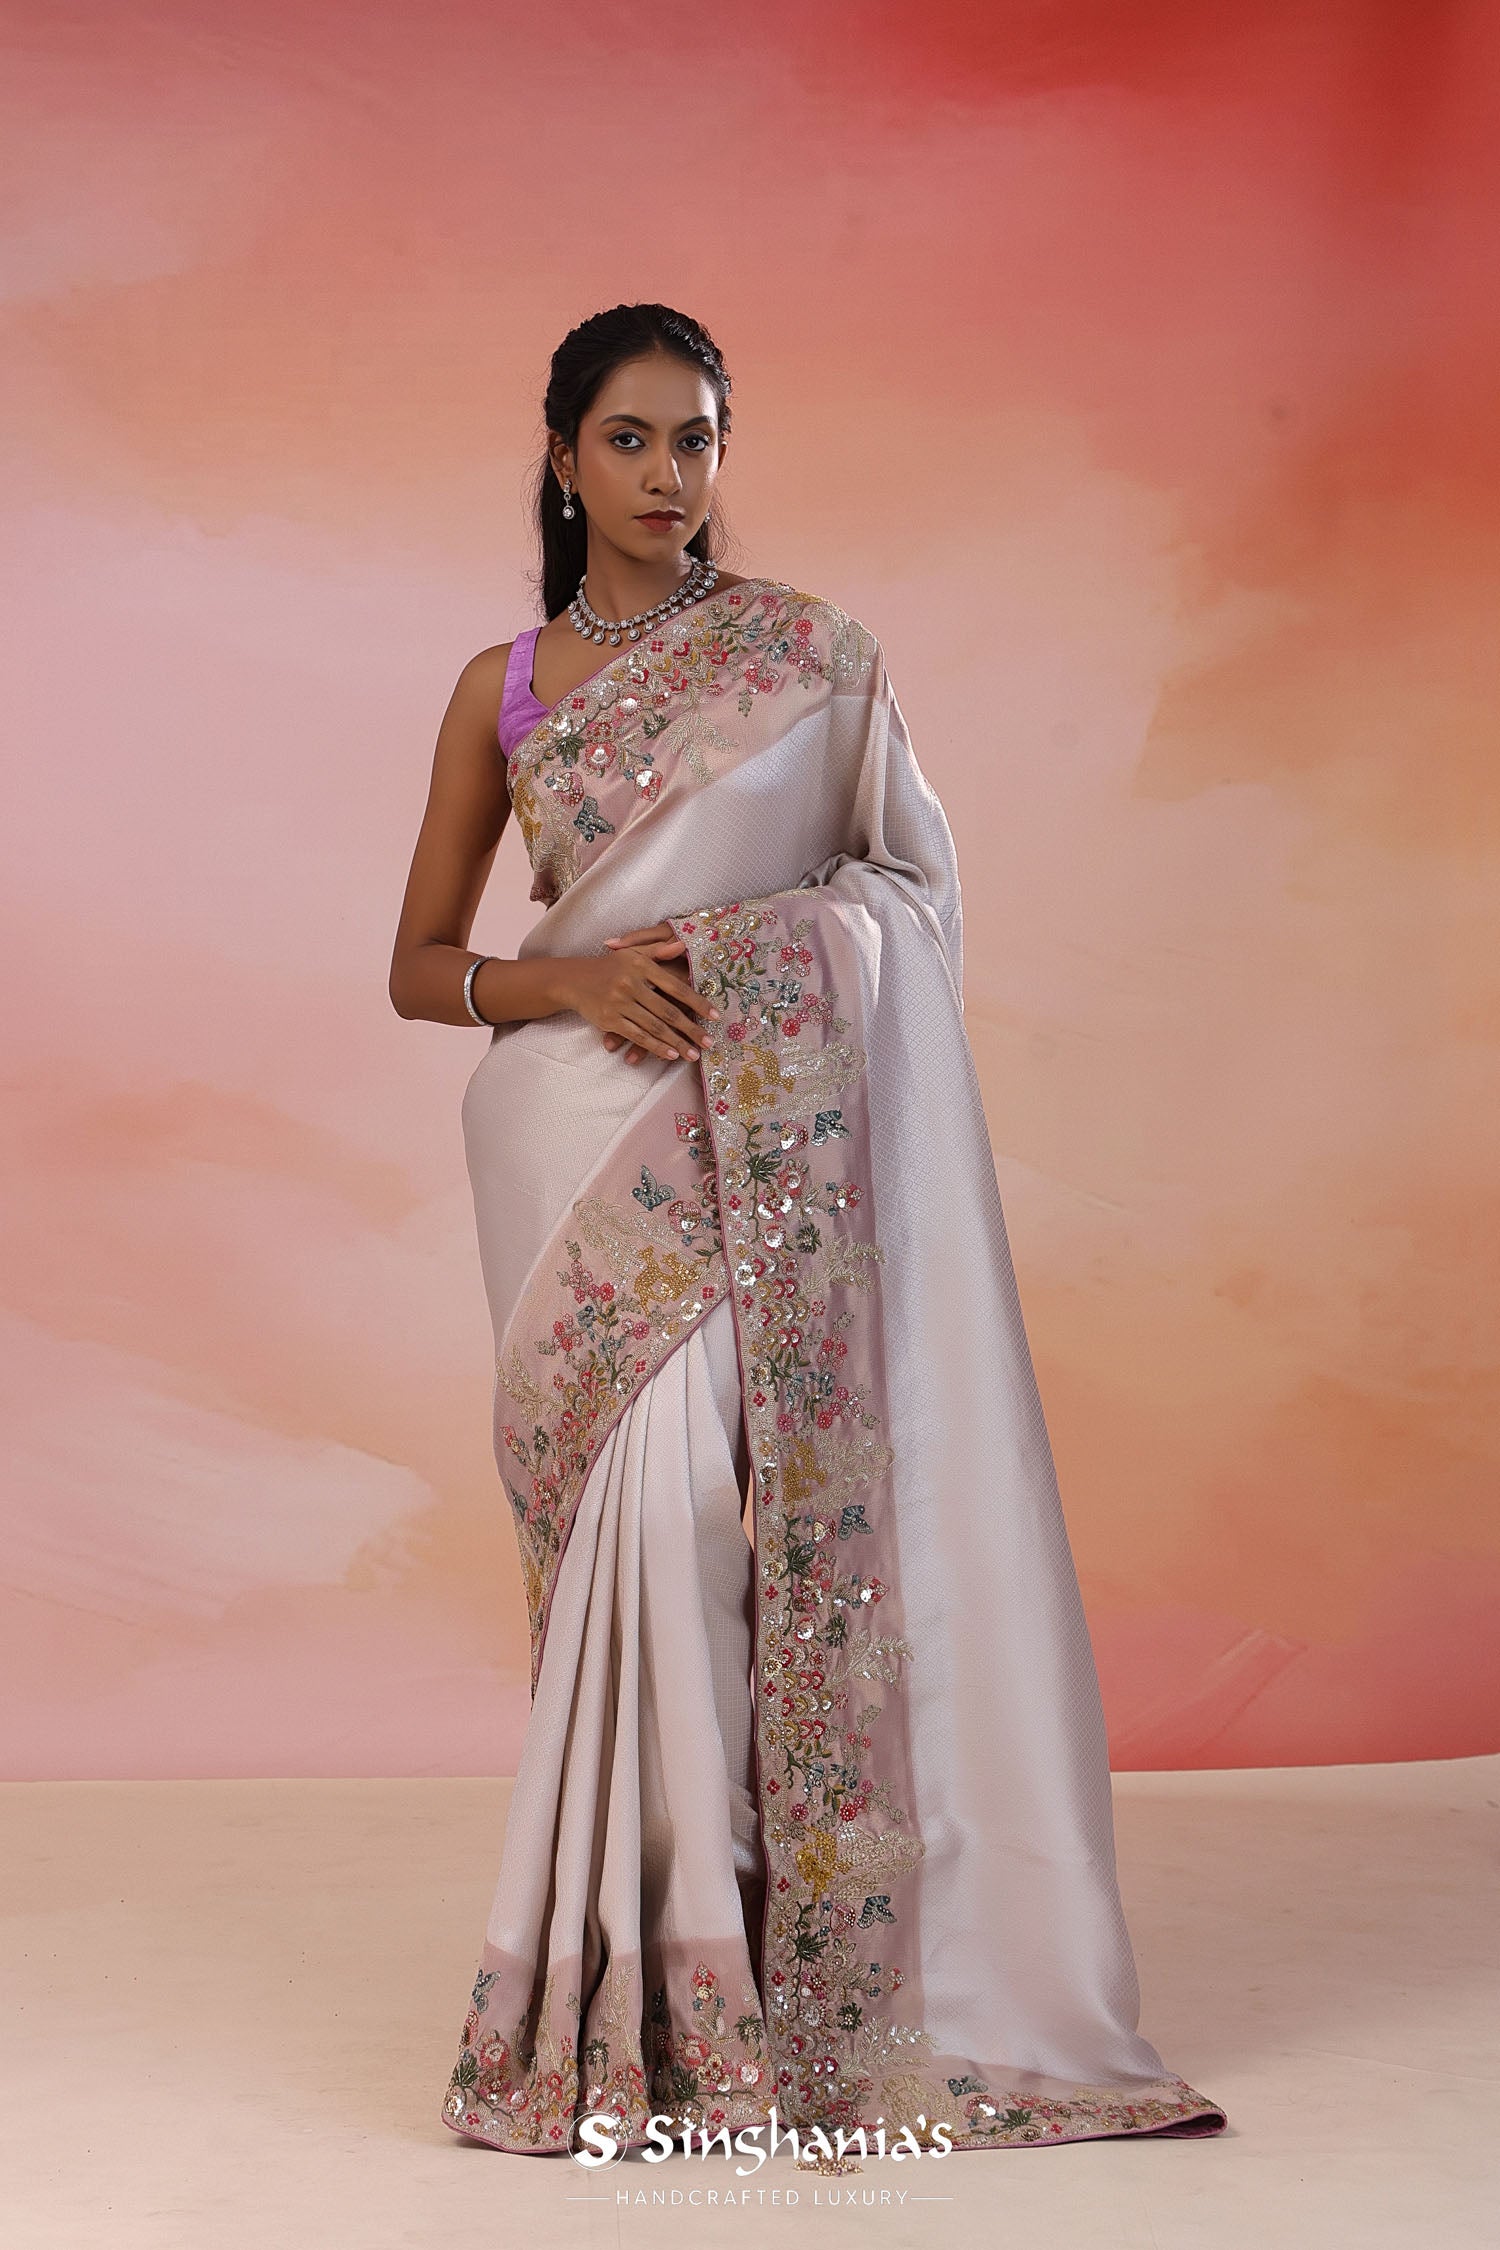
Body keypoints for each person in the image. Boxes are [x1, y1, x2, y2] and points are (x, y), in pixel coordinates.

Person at [388, 301, 1227, 2162]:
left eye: (696, 437)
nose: (667, 474)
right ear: (562, 458)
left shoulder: (812, 659)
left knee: (735, 1519)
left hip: (764, 1133)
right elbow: (420, 963)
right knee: (646, 1536)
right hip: (571, 1142)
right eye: (629, 438)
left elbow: (911, 890)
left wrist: (764, 959)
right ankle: (656, 1983)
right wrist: (567, 979)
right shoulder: (500, 688)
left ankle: (790, 1962)